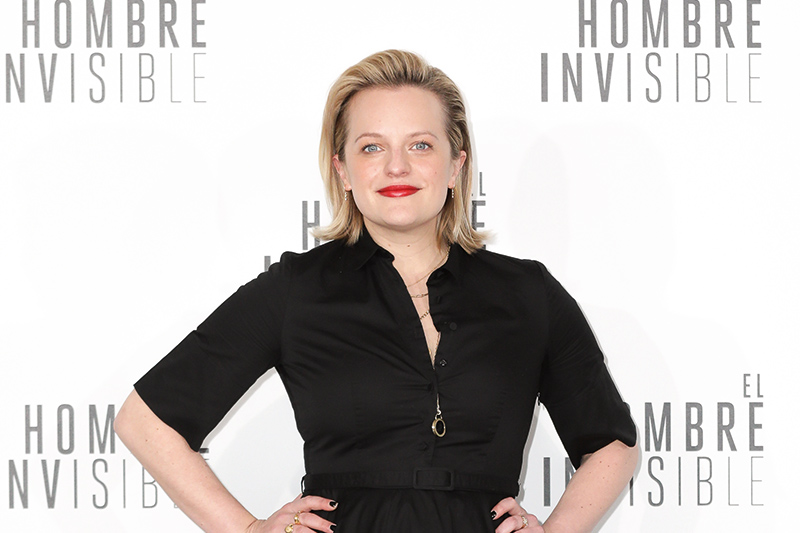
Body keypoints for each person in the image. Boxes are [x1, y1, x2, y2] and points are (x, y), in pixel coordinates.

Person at [115, 50, 639, 533]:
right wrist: (249, 530)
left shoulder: (528, 293)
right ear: (343, 170)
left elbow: (612, 444)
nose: (396, 166)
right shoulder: (297, 291)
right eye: (372, 147)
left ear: (456, 165)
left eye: (420, 145)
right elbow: (144, 421)